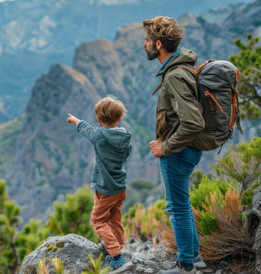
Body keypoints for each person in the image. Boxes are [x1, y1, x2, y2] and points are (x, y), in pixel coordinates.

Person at [143, 16, 205, 274]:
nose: (143, 45)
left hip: (178, 152)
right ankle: (195, 257)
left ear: (158, 44)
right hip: (185, 149)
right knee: (182, 204)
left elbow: (193, 123)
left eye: (146, 40)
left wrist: (165, 147)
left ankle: (185, 265)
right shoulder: (179, 69)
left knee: (177, 208)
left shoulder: (175, 76)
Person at [67, 97, 132, 271]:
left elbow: (86, 129)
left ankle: (116, 256)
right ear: (118, 119)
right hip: (120, 186)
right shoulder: (125, 136)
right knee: (115, 217)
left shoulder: (99, 135)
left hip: (105, 189)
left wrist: (75, 120)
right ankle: (117, 244)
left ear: (98, 119)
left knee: (98, 221)